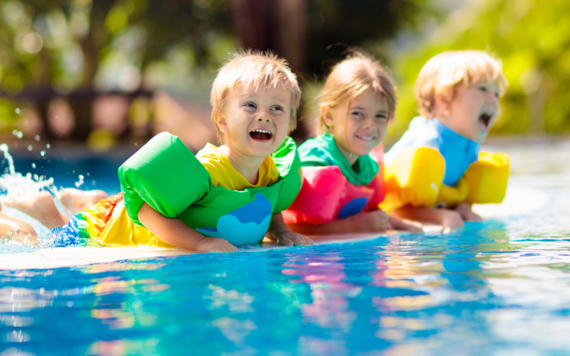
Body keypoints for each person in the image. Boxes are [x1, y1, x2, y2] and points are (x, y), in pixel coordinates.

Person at [1, 50, 314, 252]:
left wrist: (281, 232)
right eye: (250, 105)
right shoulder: (209, 170)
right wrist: (200, 242)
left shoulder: (272, 170)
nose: (264, 116)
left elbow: (268, 203)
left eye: (276, 109)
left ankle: (77, 200)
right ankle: (35, 213)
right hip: (104, 231)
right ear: (221, 120)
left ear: (289, 125)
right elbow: (146, 211)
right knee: (39, 243)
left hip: (121, 210)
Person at [283, 52, 421, 235]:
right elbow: (287, 226)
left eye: (380, 116)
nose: (370, 124)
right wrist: (352, 227)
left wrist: (394, 222)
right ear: (329, 116)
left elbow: (367, 213)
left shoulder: (367, 164)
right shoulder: (314, 160)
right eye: (358, 113)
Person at [381, 50, 510, 232]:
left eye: (496, 93)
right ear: (443, 100)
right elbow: (393, 207)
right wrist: (441, 216)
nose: (493, 100)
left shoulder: (469, 143)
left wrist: (463, 207)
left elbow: (459, 189)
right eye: (482, 89)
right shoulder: (428, 142)